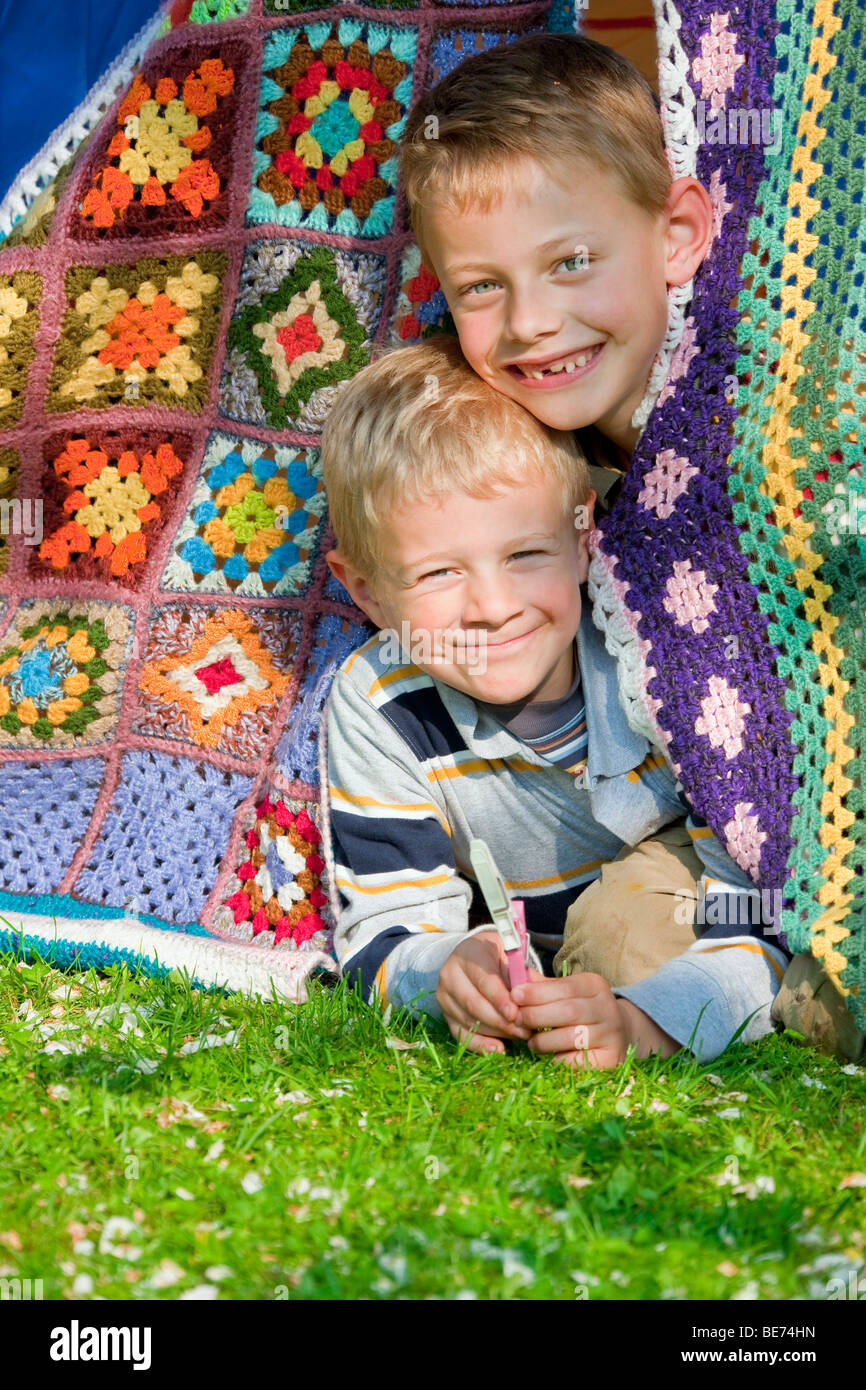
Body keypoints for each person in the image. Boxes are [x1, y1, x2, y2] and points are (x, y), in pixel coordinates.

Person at [394, 30, 863, 1063]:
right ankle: (717, 997)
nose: (531, 322)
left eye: (570, 262)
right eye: (480, 287)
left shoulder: (780, 415)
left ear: (678, 232)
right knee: (615, 930)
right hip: (723, 864)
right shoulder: (529, 469)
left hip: (823, 839)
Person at [319, 337, 789, 1068]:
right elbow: (383, 934)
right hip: (601, 939)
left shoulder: (664, 659)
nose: (492, 607)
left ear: (582, 540)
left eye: (525, 555)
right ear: (368, 591)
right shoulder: (381, 705)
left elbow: (763, 908)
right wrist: (444, 971)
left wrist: (645, 1025)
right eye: (439, 572)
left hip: (733, 895)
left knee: (620, 935)